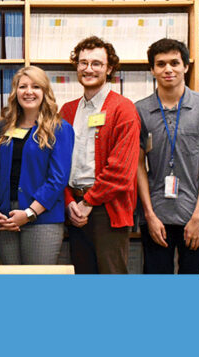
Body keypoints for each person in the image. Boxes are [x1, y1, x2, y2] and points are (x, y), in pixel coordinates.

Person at [135, 38, 199, 274]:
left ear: (186, 66)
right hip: (156, 215)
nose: (168, 69)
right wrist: (149, 215)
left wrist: (198, 217)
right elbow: (138, 166)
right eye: (161, 64)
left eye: (175, 63)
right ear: (152, 69)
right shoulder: (140, 110)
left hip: (195, 215)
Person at [59, 36, 141, 274]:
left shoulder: (123, 108)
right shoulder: (67, 110)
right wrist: (70, 202)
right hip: (75, 208)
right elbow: (59, 164)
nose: (88, 69)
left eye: (96, 63)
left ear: (109, 68)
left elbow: (122, 170)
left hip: (107, 210)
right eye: (83, 63)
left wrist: (88, 202)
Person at [0, 66, 74, 264]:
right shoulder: (5, 127)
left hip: (42, 218)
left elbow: (58, 179)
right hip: (6, 217)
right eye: (22, 86)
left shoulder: (59, 129)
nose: (28, 92)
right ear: (15, 92)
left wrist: (29, 213)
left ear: (45, 92)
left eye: (36, 86)